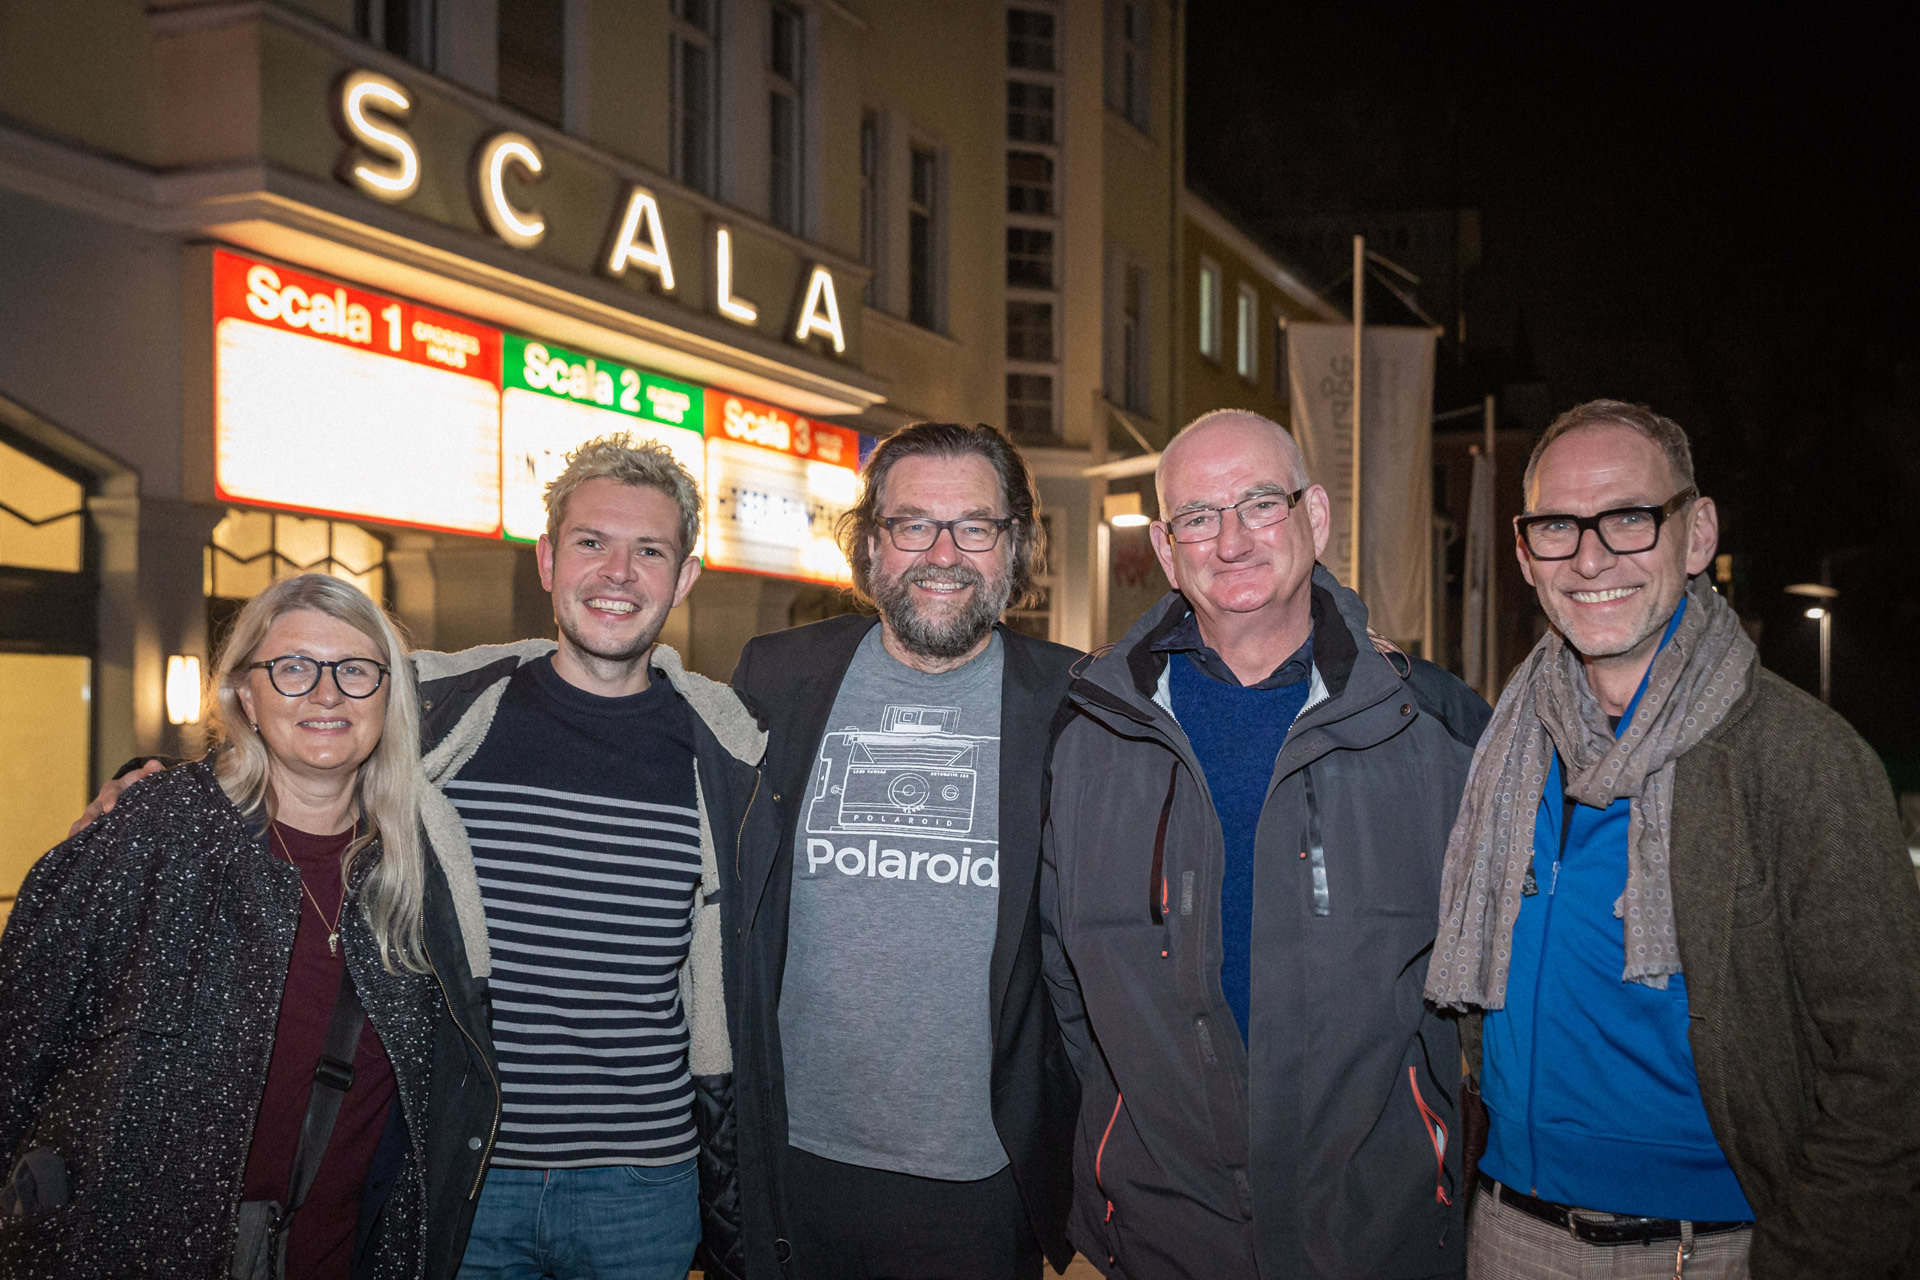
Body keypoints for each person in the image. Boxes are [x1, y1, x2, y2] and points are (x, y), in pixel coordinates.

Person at [70, 435, 767, 1280]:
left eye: (648, 551)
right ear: (548, 561)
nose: (617, 572)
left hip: (645, 1181)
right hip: (459, 1169)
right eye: (591, 543)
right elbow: (300, 728)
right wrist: (152, 787)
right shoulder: (439, 709)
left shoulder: (730, 754)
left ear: (684, 577)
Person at [1426, 400, 1920, 1278]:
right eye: (1556, 527)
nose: (1589, 557)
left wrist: (1807, 1260)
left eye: (1627, 518)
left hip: (1711, 1250)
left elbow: (1892, 1065)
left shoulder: (1801, 760)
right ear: (1523, 553)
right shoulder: (1499, 753)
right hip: (1504, 1231)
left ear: (1697, 536)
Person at [1042, 409, 1487, 1278]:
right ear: (1167, 551)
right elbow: (1066, 992)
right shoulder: (1089, 734)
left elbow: (1489, 1006)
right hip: (1155, 1239)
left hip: (1376, 1232)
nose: (1232, 539)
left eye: (1259, 503)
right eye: (1198, 517)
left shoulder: (1433, 727)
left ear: (1315, 517)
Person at [0, 573, 493, 1280]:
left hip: (340, 1256)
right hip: (133, 1251)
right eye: (292, 668)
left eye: (355, 670)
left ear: (388, 699)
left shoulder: (421, 873)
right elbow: (21, 1032)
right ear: (245, 697)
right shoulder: (155, 830)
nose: (327, 694)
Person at [729, 422, 1080, 1279]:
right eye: (912, 524)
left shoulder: (1077, 699)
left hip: (981, 1174)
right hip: (787, 1158)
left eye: (976, 527)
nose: (943, 553)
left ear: (1015, 545)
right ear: (870, 543)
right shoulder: (774, 676)